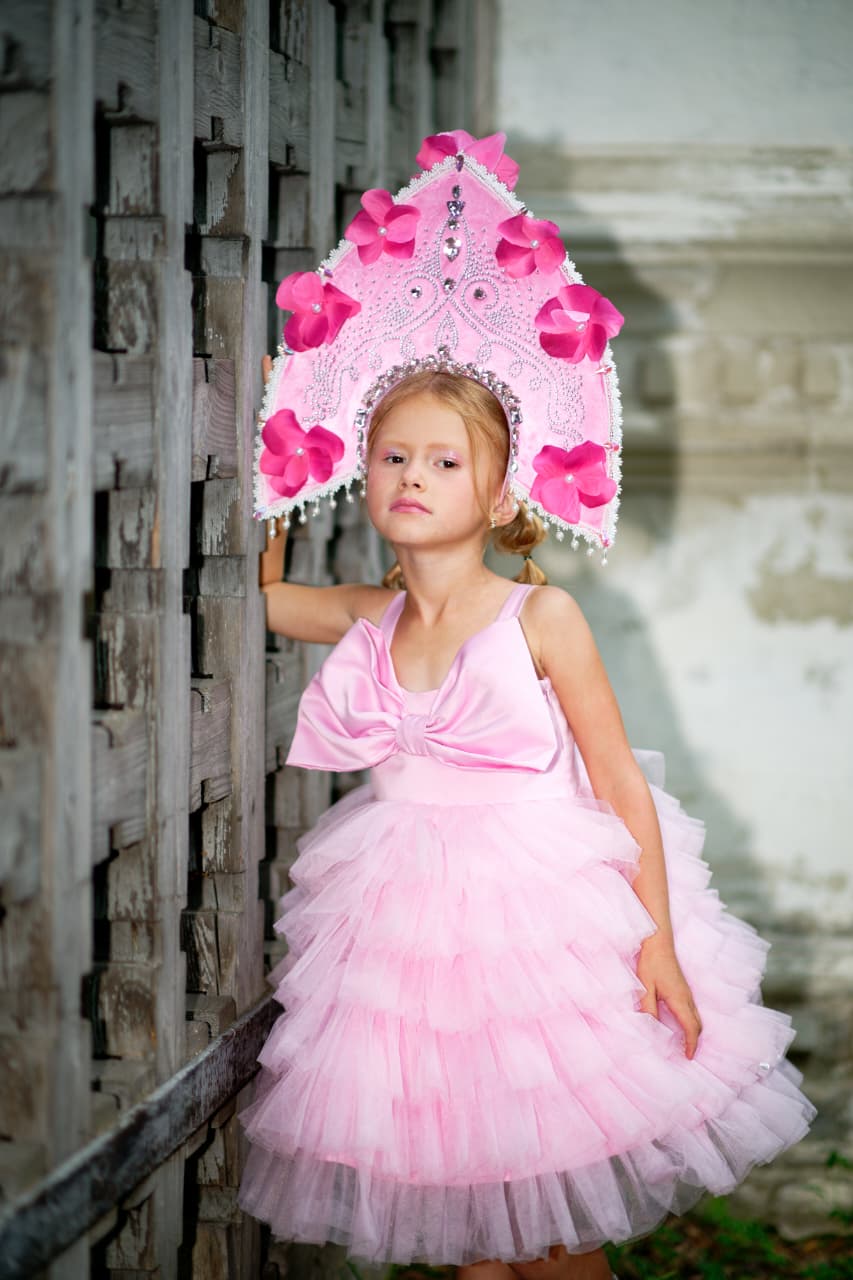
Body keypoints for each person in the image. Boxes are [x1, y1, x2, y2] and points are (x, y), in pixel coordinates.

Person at [237, 131, 815, 1280]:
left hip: (539, 922)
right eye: (391, 457)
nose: (412, 475)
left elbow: (618, 783)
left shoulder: (539, 615)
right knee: (467, 1215)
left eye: (445, 462)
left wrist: (654, 940)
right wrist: (279, 461)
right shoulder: (370, 613)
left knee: (550, 1224)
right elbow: (263, 600)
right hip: (406, 924)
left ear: (502, 492)